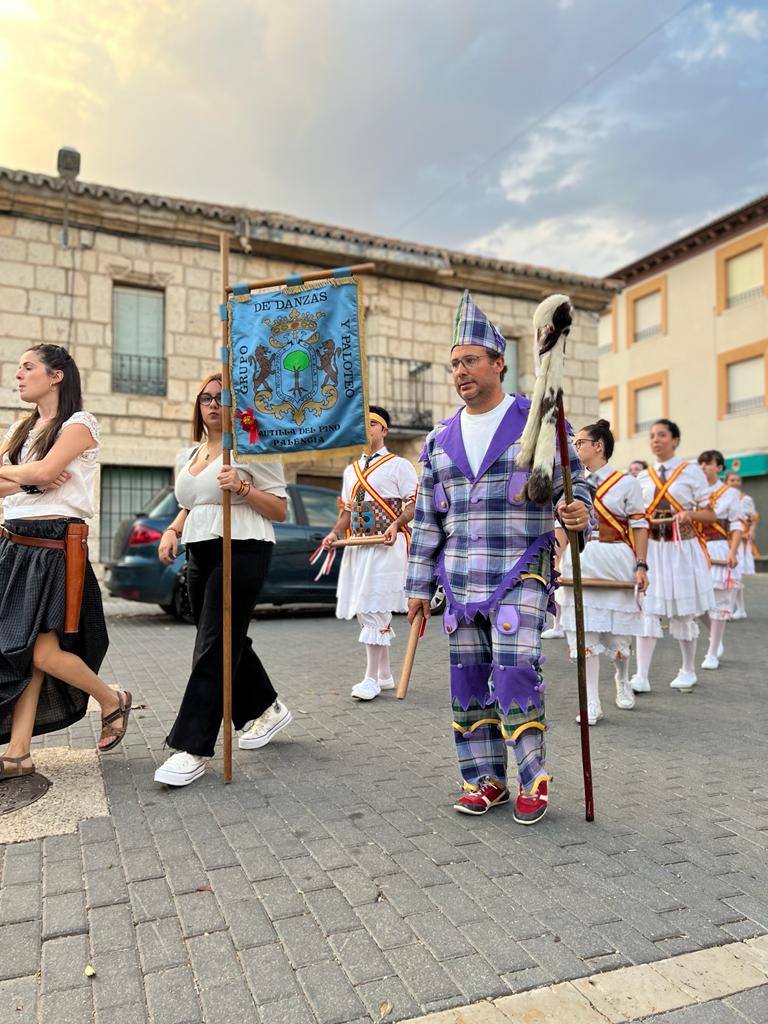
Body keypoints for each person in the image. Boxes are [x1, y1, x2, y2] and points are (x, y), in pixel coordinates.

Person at [405, 292, 590, 824]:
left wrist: (578, 515)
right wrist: (418, 588)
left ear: (498, 363)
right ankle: (485, 780)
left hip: (520, 570)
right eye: (454, 364)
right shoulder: (439, 438)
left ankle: (533, 777)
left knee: (513, 670)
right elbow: (426, 519)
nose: (460, 372)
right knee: (467, 681)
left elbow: (575, 484)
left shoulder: (539, 418)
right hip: (459, 581)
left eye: (469, 361)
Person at [0, 344, 131, 779]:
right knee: (28, 651)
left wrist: (24, 476)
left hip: (56, 546)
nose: (18, 375)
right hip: (15, 545)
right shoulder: (21, 429)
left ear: (56, 375)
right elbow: (30, 476)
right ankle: (18, 753)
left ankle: (111, 699)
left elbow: (32, 476)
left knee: (40, 651)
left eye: (28, 367)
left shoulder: (79, 424)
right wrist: (32, 475)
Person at [154, 372, 291, 786]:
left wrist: (245, 488)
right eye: (205, 398)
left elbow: (280, 509)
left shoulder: (253, 446)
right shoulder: (190, 453)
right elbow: (192, 502)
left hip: (243, 545)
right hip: (201, 547)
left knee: (214, 643)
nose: (212, 405)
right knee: (220, 635)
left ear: (237, 404)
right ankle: (266, 707)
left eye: (221, 397)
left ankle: (192, 746)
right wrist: (173, 528)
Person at [321, 406, 417, 701]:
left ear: (384, 430)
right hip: (358, 547)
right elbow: (347, 513)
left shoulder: (399, 466)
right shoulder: (351, 471)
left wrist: (397, 525)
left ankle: (370, 679)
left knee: (374, 607)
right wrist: (335, 533)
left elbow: (413, 506)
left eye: (372, 424)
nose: (366, 429)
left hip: (387, 545)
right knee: (367, 609)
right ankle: (385, 675)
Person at [556, 420, 649, 723]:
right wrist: (557, 562)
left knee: (619, 633)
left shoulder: (626, 482)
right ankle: (591, 701)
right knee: (584, 633)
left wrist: (641, 565)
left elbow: (638, 525)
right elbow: (560, 527)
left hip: (615, 560)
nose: (575, 448)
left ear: (599, 445)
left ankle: (622, 679)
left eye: (580, 442)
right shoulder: (570, 483)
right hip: (580, 558)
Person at [630, 419, 716, 694]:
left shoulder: (691, 472)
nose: (656, 440)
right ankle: (641, 675)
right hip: (653, 549)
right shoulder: (642, 478)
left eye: (662, 435)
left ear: (675, 440)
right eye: (652, 435)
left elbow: (711, 514)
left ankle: (688, 669)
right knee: (648, 610)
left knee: (683, 613)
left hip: (682, 549)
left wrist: (690, 514)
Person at [696, 451, 744, 669]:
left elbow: (736, 525)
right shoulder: (695, 490)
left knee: (719, 601)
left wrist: (733, 552)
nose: (704, 467)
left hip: (719, 547)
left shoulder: (730, 494)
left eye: (708, 464)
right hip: (697, 547)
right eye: (702, 464)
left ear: (719, 467)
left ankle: (712, 652)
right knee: (697, 604)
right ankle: (716, 637)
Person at [725, 471, 759, 620]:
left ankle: (729, 610)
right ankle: (741, 610)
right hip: (725, 539)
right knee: (733, 575)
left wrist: (751, 529)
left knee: (735, 575)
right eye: (732, 480)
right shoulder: (722, 496)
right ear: (726, 482)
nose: (735, 483)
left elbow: (754, 517)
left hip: (740, 539)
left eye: (737, 480)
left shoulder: (745, 499)